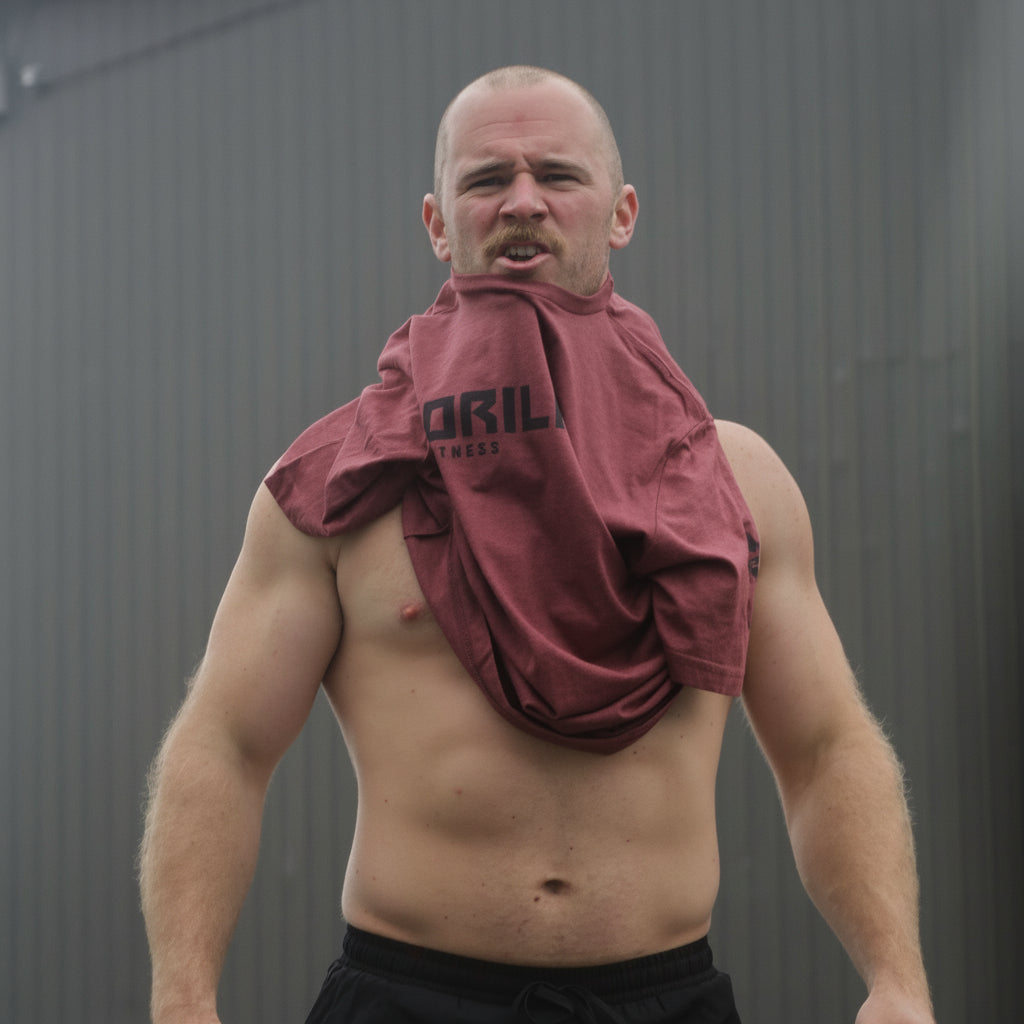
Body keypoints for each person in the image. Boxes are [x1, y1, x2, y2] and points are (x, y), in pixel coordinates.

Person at [139, 66, 935, 1024]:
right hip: (407, 995)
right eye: (485, 181)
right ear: (439, 222)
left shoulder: (735, 479)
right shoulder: (346, 477)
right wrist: (182, 999)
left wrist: (898, 979)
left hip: (662, 996)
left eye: (557, 174)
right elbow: (223, 743)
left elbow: (824, 745)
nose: (522, 201)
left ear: (622, 211)